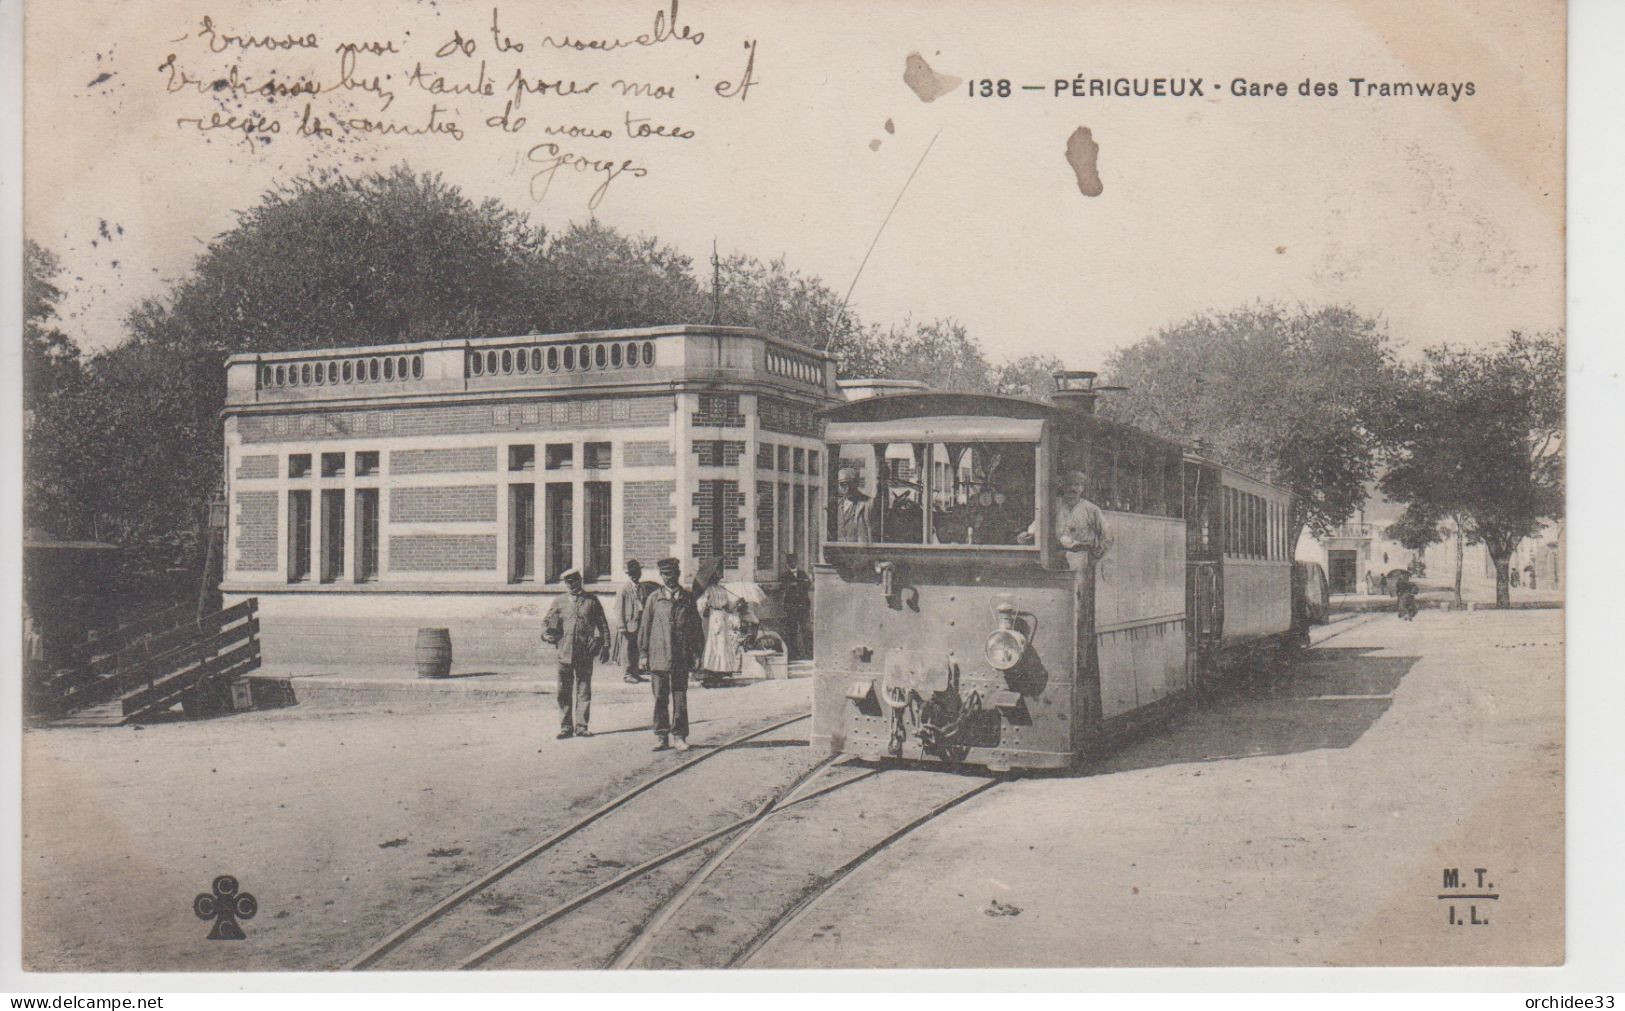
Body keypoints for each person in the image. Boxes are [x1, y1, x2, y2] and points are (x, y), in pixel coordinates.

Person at [638, 557, 704, 752]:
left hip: (681, 656)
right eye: (666, 574)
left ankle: (680, 736)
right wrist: (643, 654)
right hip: (658, 656)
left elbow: (696, 628)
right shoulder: (653, 599)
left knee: (680, 698)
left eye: (673, 574)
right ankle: (661, 736)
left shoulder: (687, 598)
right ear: (661, 576)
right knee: (660, 698)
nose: (670, 578)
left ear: (678, 574)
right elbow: (645, 627)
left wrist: (697, 653)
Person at [541, 568, 609, 740]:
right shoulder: (559, 601)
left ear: (580, 580)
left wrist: (605, 645)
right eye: (568, 582)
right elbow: (547, 622)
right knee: (563, 691)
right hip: (564, 653)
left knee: (583, 690)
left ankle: (582, 726)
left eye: (574, 581)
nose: (571, 585)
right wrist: (545, 634)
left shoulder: (591, 601)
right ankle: (565, 727)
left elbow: (603, 625)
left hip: (585, 652)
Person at [1017, 469, 1110, 568]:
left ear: (1082, 488)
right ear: (1063, 485)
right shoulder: (1052, 505)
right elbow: (1036, 528)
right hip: (1054, 558)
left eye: (1077, 484)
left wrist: (1095, 556)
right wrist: (1026, 536)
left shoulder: (1092, 509)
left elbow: (1107, 537)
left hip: (1081, 560)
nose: (1072, 488)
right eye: (1069, 484)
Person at [696, 557, 744, 688]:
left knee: (722, 644)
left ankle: (721, 672)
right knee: (713, 645)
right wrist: (705, 610)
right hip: (712, 619)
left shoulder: (722, 589)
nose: (719, 576)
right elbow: (700, 605)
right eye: (717, 573)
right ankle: (710, 672)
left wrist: (737, 603)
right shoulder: (708, 590)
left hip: (722, 617)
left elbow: (728, 606)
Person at [612, 560, 651, 684]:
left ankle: (635, 672)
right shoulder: (624, 589)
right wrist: (621, 625)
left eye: (637, 572)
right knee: (627, 649)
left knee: (636, 648)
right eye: (632, 573)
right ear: (629, 574)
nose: (635, 575)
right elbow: (618, 608)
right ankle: (627, 674)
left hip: (639, 622)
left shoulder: (641, 588)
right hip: (628, 624)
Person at [780, 554, 813, 661]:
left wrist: (798, 585)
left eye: (794, 561)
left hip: (803, 608)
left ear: (796, 561)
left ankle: (809, 653)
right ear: (787, 563)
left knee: (807, 630)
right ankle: (794, 654)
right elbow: (784, 588)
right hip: (792, 608)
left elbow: (807, 585)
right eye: (790, 561)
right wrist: (794, 585)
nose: (792, 563)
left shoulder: (802, 573)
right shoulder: (785, 575)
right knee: (792, 631)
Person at [837, 467, 873, 543]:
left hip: (858, 550)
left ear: (856, 484)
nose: (847, 488)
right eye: (842, 484)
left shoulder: (867, 503)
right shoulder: (837, 504)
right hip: (838, 550)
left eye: (849, 484)